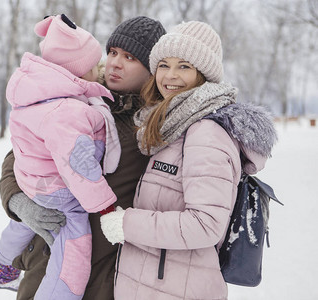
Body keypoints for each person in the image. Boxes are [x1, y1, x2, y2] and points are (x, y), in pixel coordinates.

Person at [0, 16, 166, 300]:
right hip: (44, 261)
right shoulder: (73, 99)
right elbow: (18, 156)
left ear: (152, 72)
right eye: (112, 52)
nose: (115, 63)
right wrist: (18, 201)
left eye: (130, 57)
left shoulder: (153, 129)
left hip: (103, 275)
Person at [99, 21, 278, 300]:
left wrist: (126, 224)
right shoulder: (170, 126)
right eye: (163, 65)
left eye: (184, 66)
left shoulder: (206, 132)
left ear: (203, 74)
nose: (170, 76)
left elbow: (206, 224)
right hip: (154, 285)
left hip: (179, 289)